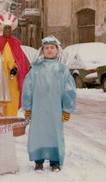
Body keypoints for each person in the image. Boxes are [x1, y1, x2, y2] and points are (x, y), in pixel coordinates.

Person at [22, 35, 76, 172]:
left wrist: (67, 109)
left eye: (52, 47)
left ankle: (55, 161)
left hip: (55, 109)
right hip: (38, 108)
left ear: (57, 50)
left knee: (55, 133)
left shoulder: (63, 69)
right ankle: (38, 160)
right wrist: (27, 107)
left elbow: (69, 90)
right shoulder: (35, 69)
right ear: (42, 51)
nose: (50, 50)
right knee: (38, 132)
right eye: (46, 48)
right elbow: (27, 88)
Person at [0, 10, 29, 116]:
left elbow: (21, 61)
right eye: (6, 28)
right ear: (2, 29)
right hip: (0, 79)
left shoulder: (17, 43)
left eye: (9, 28)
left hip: (13, 79)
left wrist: (16, 68)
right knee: (0, 100)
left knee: (13, 99)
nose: (8, 30)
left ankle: (11, 119)